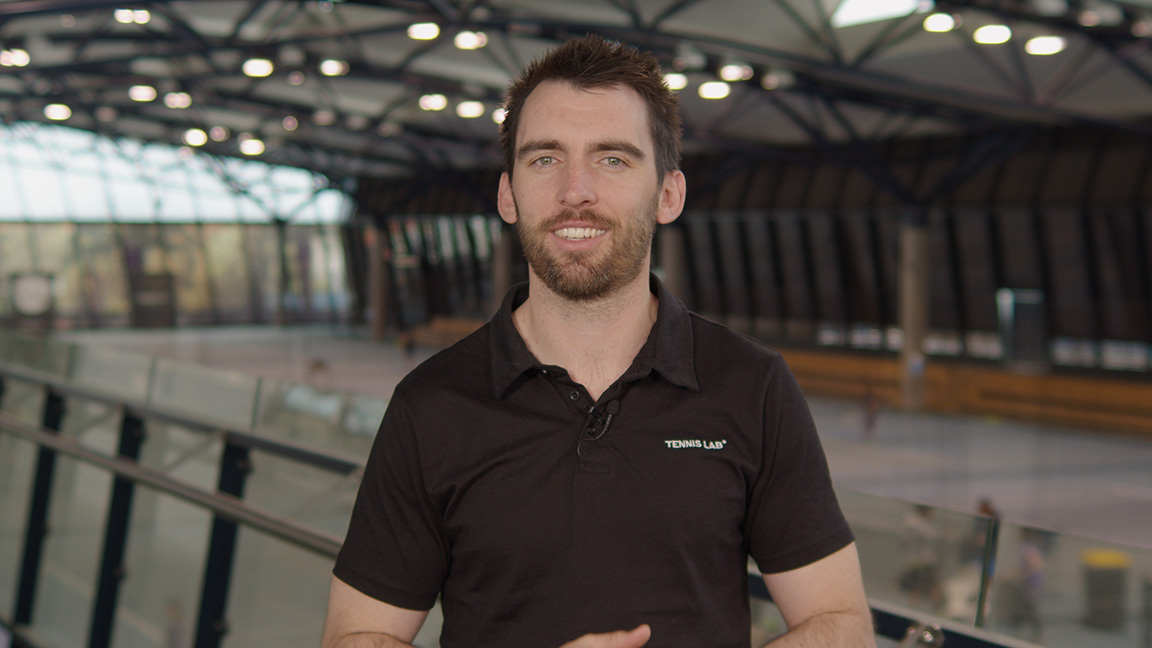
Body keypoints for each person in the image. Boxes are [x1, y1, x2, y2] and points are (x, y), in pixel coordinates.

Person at [322, 35, 874, 648]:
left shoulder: (752, 385)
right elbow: (358, 636)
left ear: (668, 194)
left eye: (613, 159)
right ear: (508, 194)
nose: (575, 190)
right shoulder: (431, 404)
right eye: (544, 159)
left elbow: (841, 625)